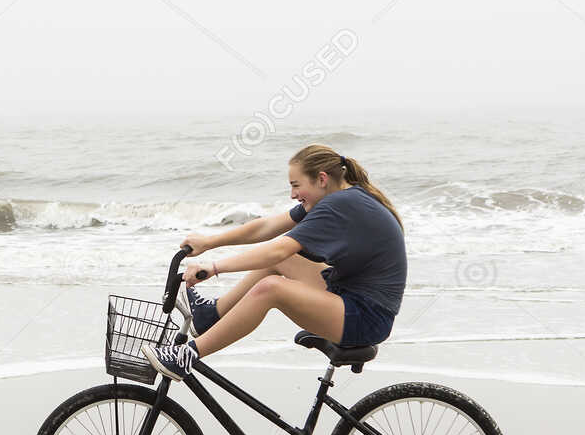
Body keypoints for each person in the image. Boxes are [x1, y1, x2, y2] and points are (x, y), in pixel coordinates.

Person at [147, 144, 406, 381]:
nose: (293, 194)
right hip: (349, 297)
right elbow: (267, 227)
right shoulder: (337, 198)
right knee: (286, 259)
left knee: (270, 288)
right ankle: (210, 314)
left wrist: (214, 268)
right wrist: (210, 241)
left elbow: (276, 250)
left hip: (365, 318)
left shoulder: (340, 205)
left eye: (296, 185)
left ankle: (186, 357)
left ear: (322, 179)